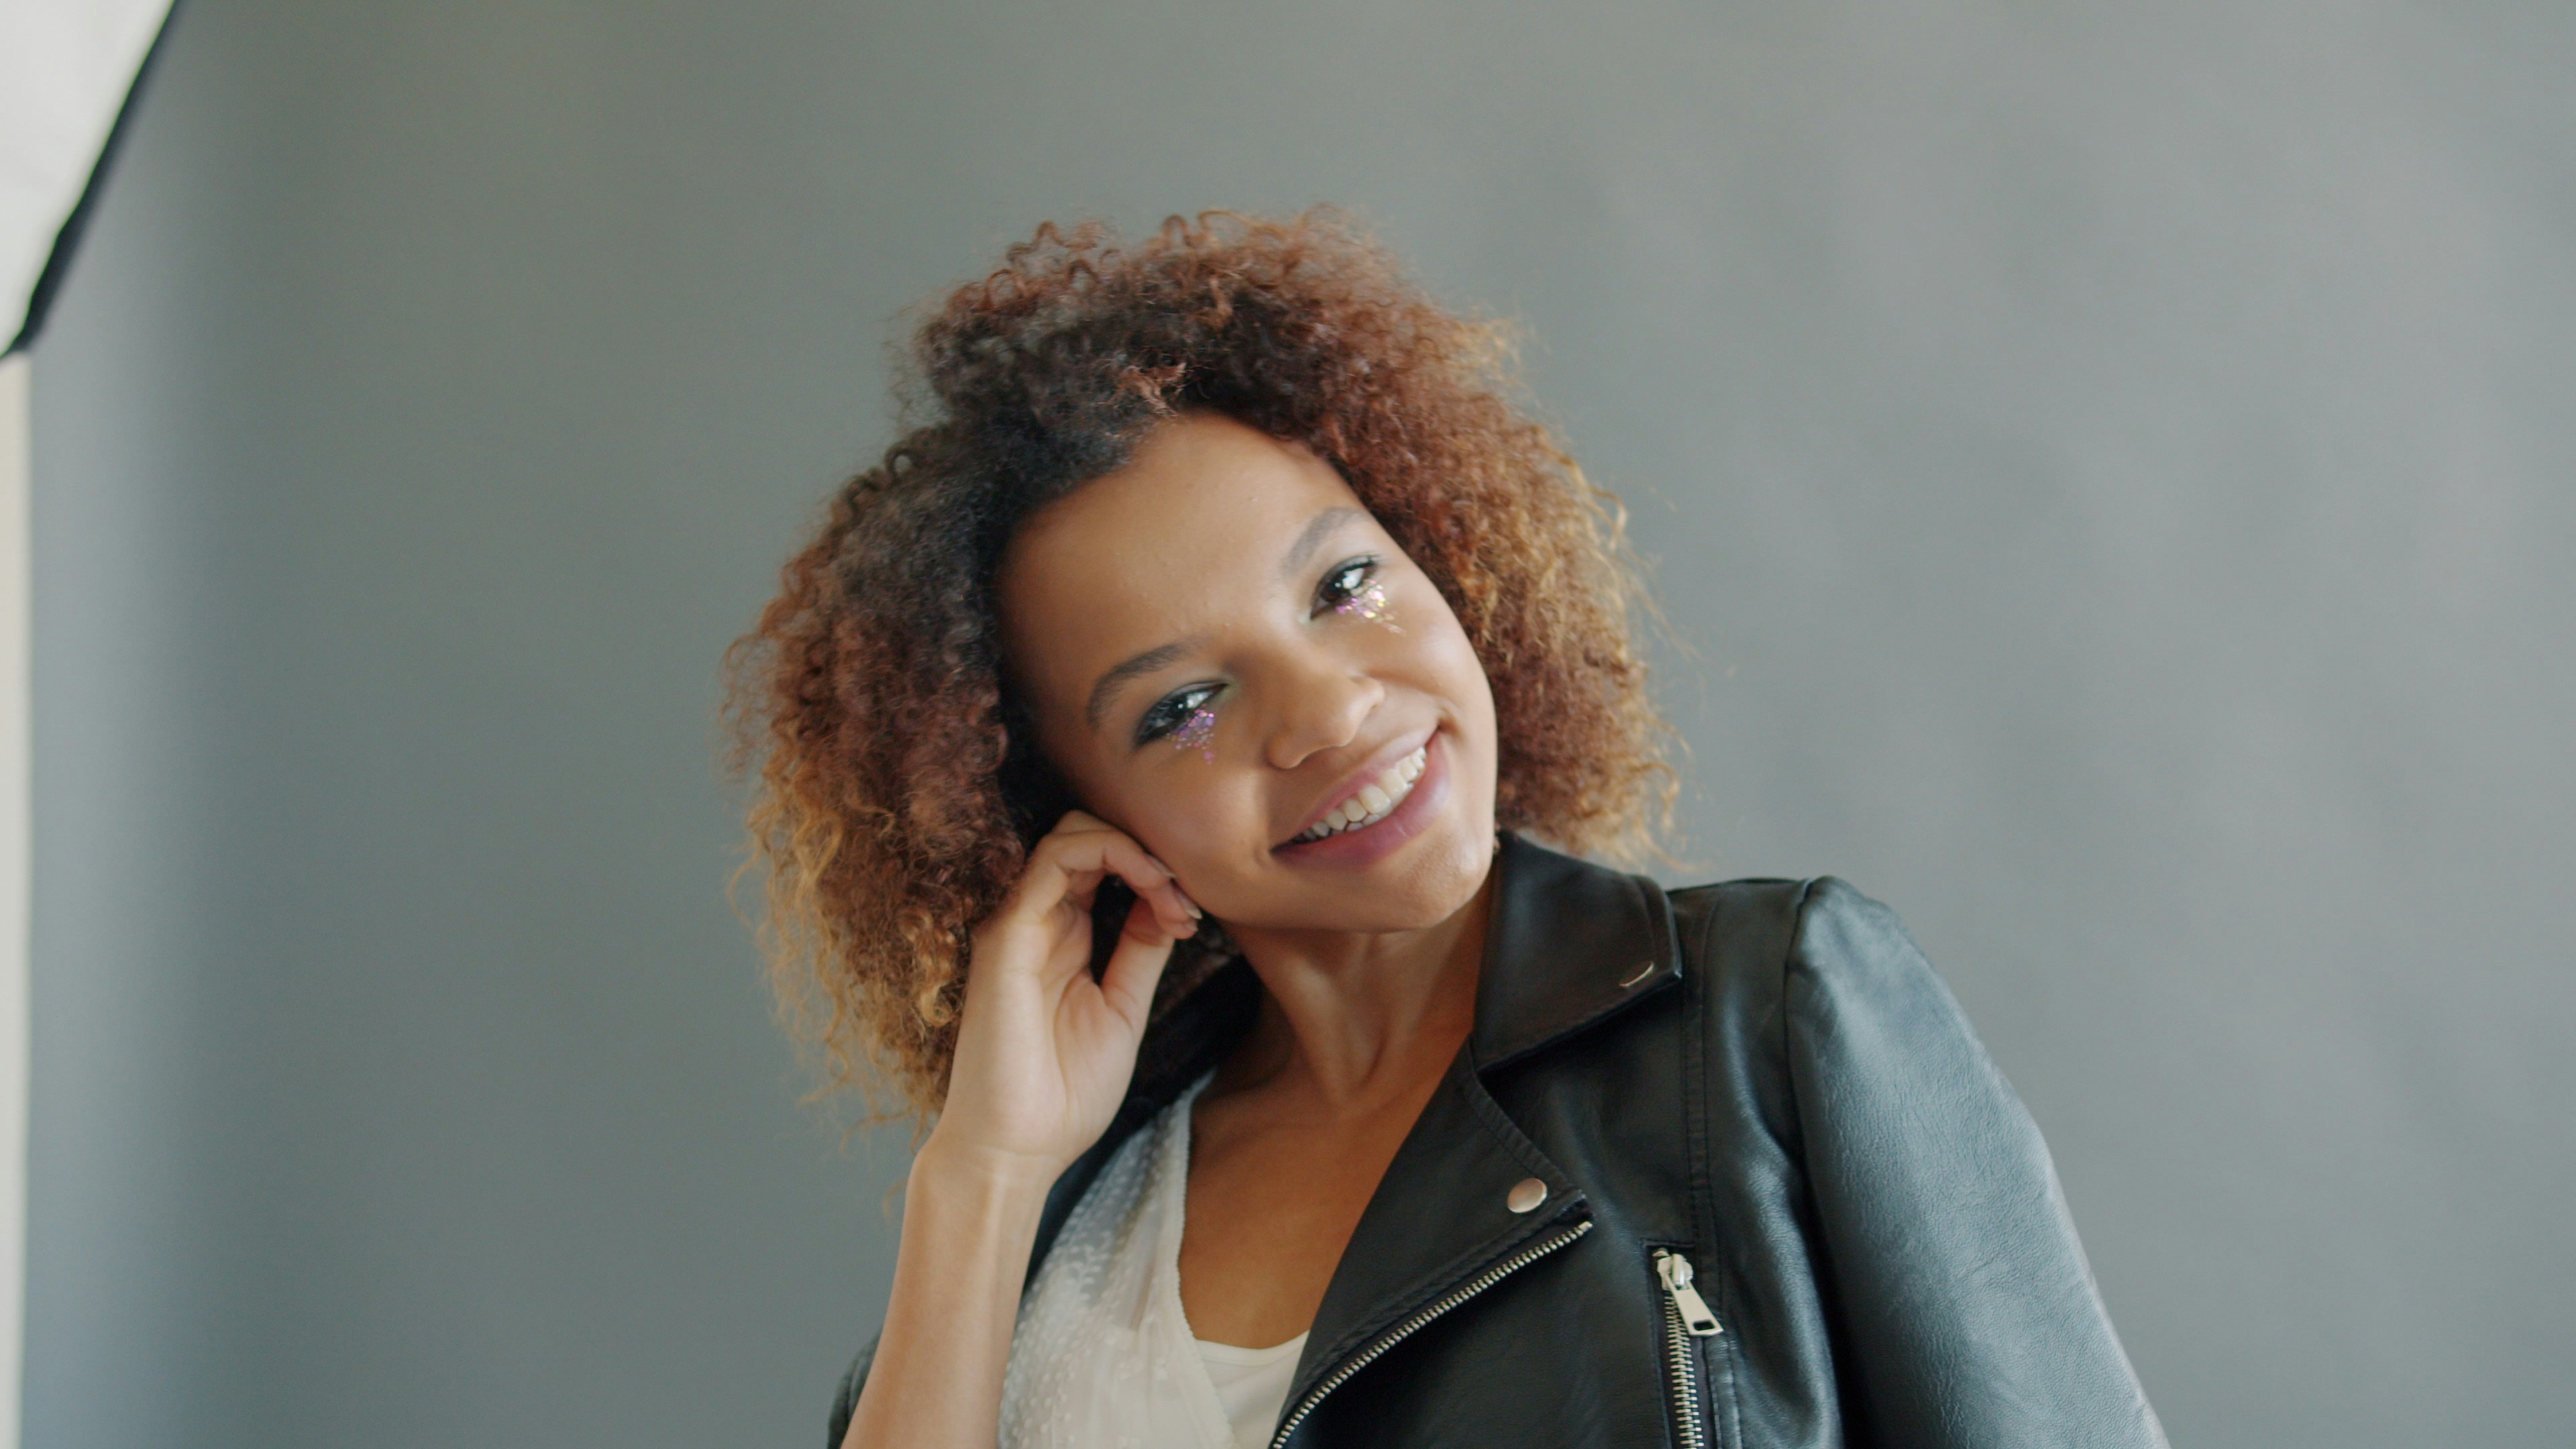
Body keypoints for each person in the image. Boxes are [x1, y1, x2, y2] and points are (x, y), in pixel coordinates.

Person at [728, 209, 2167, 1449]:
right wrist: (981, 1176)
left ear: (1440, 548)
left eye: (1342, 587)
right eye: (1180, 710)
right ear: (1068, 818)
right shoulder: (1055, 1232)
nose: (1329, 714)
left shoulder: (1763, 1013)